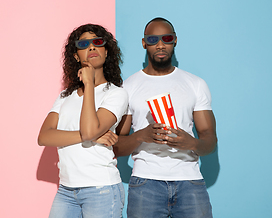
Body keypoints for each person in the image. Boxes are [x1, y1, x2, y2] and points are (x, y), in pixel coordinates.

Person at [114, 17, 217, 218]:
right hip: (145, 183)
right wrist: (141, 136)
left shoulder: (195, 84)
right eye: (153, 40)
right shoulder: (128, 87)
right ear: (144, 43)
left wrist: (192, 143)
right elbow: (116, 146)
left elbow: (210, 140)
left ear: (175, 41)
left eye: (166, 38)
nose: (160, 45)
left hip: (190, 181)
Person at [38, 24, 128, 218]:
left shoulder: (116, 94)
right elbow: (44, 136)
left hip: (101, 189)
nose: (92, 47)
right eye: (84, 44)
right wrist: (93, 137)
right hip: (66, 191)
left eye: (97, 42)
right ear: (76, 56)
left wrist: (88, 84)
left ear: (106, 51)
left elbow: (89, 131)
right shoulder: (64, 96)